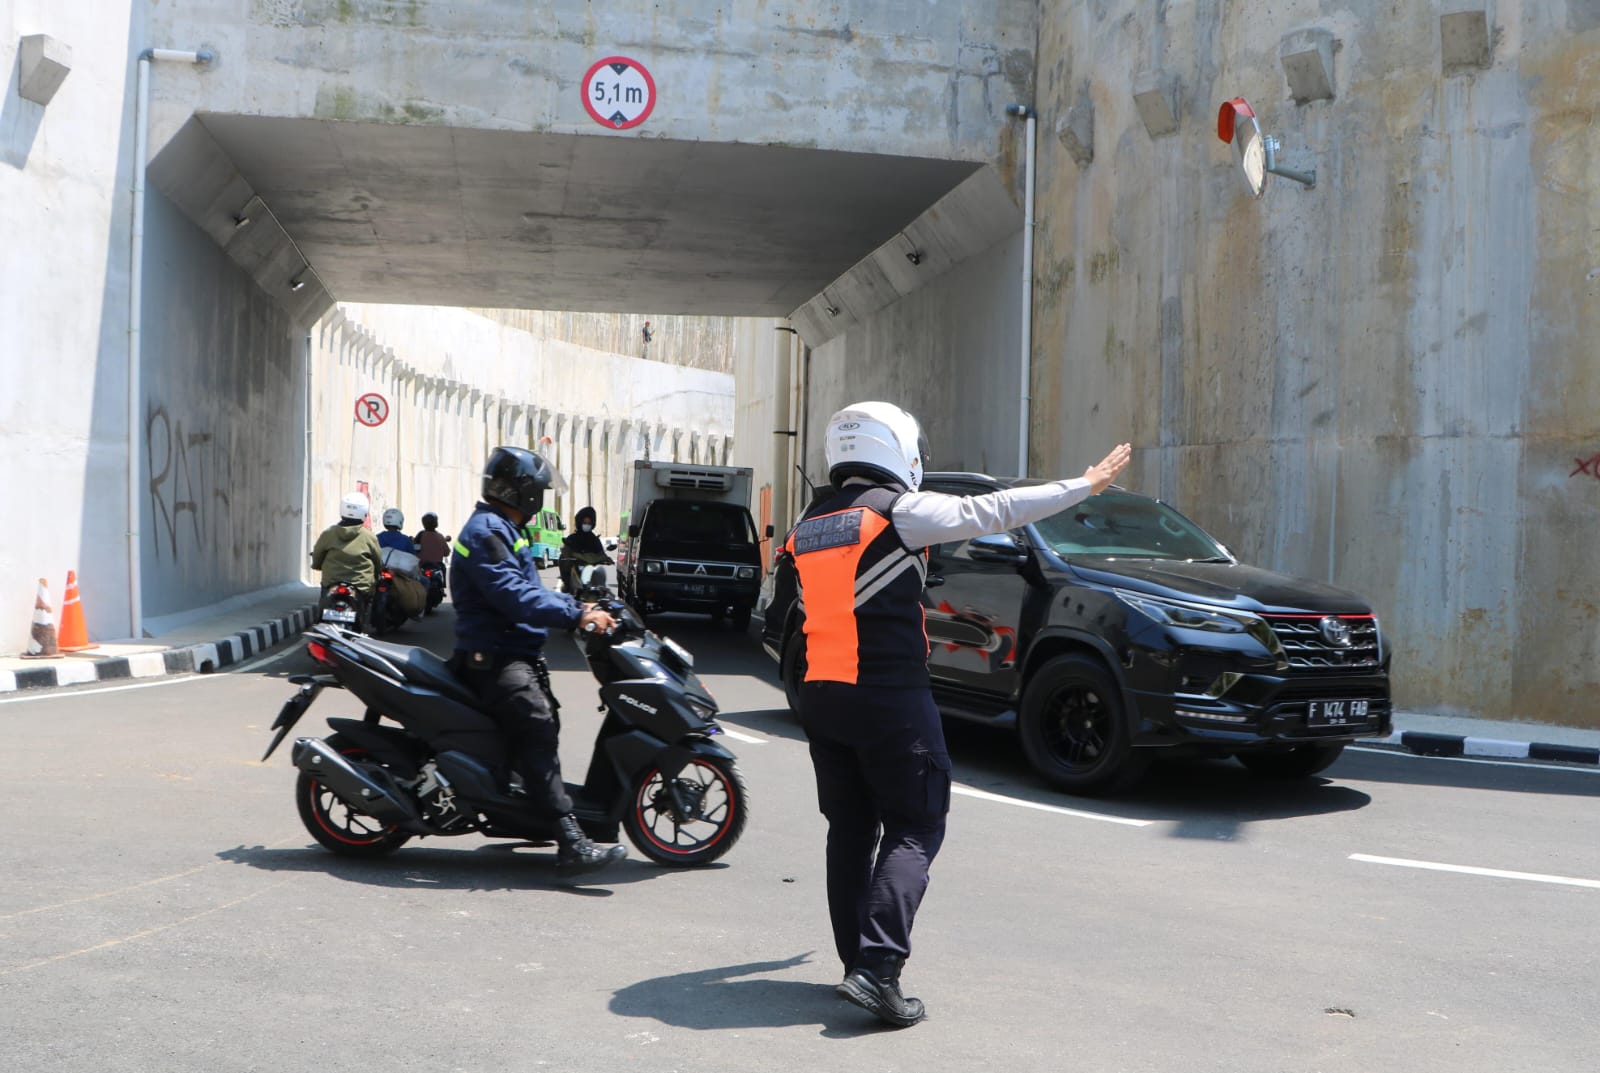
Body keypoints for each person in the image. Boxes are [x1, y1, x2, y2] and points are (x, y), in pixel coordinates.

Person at [783, 401, 1131, 1027]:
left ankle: (855, 965)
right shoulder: (899, 510)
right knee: (918, 825)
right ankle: (879, 968)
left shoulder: (810, 521)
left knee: (851, 831)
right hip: (887, 693)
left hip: (822, 694)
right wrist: (1083, 485)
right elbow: (991, 510)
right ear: (899, 450)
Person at [449, 446, 628, 876]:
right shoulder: (487, 533)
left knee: (545, 723)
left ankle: (525, 809)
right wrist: (576, 614)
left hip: (512, 651)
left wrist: (581, 602)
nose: (542, 499)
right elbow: (515, 596)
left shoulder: (505, 528)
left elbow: (534, 588)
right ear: (522, 492)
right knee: (537, 724)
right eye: (539, 492)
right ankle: (569, 841)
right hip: (493, 656)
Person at [310, 492, 385, 617]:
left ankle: (320, 619)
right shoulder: (369, 536)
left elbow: (318, 554)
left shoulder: (329, 533)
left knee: (323, 601)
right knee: (368, 604)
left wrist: (316, 565)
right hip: (360, 586)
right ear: (364, 513)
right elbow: (377, 559)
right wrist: (378, 573)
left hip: (331, 582)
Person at [558, 505, 610, 594]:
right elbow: (565, 553)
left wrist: (606, 558)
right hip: (577, 571)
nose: (587, 525)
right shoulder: (572, 539)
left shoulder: (595, 539)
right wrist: (567, 557)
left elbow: (600, 552)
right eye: (585, 522)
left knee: (605, 591)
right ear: (579, 522)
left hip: (592, 573)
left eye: (589, 523)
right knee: (566, 589)